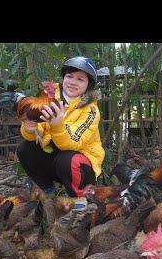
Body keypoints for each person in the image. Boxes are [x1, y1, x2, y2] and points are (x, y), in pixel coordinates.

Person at [16, 56, 105, 203]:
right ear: (63, 78)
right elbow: (39, 128)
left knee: (67, 159)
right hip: (56, 159)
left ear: (89, 84)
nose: (73, 82)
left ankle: (79, 199)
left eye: (80, 79)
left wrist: (57, 124)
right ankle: (47, 192)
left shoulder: (91, 110)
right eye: (69, 76)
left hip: (81, 165)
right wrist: (30, 128)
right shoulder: (50, 95)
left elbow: (73, 144)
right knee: (25, 148)